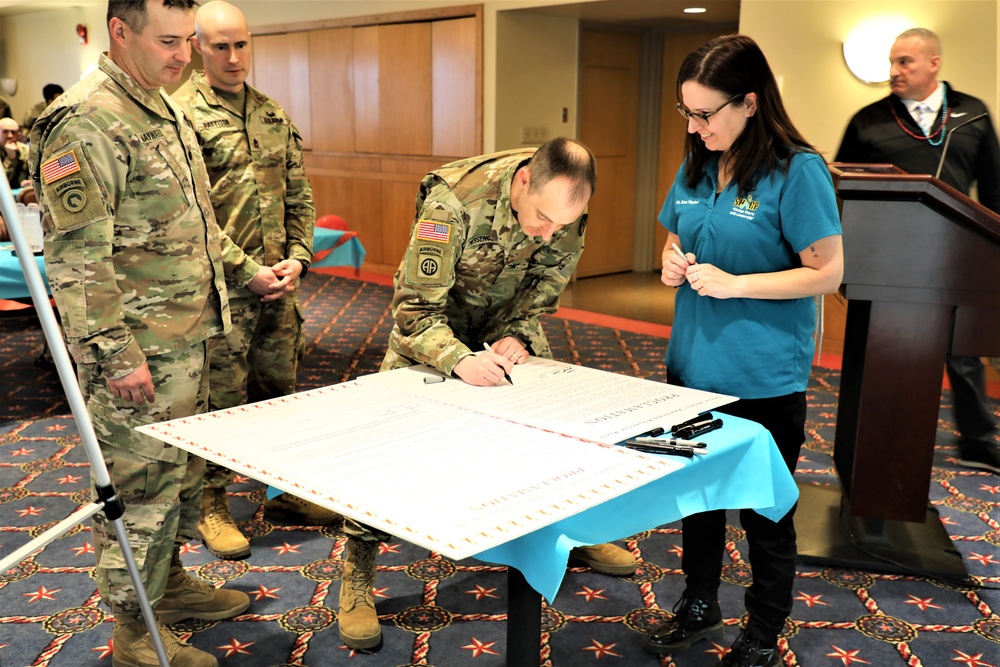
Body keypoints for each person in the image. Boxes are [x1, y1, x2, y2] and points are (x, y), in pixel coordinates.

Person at [28, 1, 284, 665]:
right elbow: (79, 264)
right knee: (139, 490)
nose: (184, 55)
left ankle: (165, 589)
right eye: (168, 41)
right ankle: (134, 629)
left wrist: (247, 273)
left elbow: (192, 223)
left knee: (178, 481)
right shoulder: (85, 121)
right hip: (140, 351)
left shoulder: (157, 102)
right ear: (120, 32)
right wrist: (117, 358)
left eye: (186, 41)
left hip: (189, 338)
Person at [353, 137, 635, 649]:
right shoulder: (454, 202)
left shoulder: (565, 204)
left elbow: (545, 286)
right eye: (541, 219)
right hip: (434, 329)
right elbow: (415, 310)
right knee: (386, 445)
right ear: (524, 180)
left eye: (560, 225)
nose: (549, 231)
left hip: (500, 330)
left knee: (550, 431)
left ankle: (569, 535)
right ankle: (357, 571)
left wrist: (520, 333)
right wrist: (459, 358)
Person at [644, 35, 843, 666]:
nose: (695, 126)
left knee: (764, 510)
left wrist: (737, 286)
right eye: (687, 112)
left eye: (706, 113)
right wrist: (673, 265)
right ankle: (699, 604)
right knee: (697, 502)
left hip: (762, 374)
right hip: (692, 365)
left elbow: (826, 272)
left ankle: (762, 630)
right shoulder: (698, 161)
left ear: (750, 103)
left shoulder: (798, 170)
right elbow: (673, 241)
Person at [173, 0, 332, 562]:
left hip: (279, 289)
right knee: (219, 402)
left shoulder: (269, 112)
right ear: (196, 47)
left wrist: (298, 257)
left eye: (241, 44)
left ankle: (282, 491)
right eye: (220, 46)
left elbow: (300, 194)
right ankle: (210, 503)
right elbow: (191, 215)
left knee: (279, 394)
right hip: (219, 293)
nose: (234, 57)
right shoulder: (180, 116)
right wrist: (247, 269)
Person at [836, 27, 1000, 475]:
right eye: (891, 62)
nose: (894, 71)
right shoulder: (868, 120)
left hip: (955, 258)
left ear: (934, 63)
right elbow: (841, 188)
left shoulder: (972, 115)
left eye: (904, 61)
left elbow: (993, 190)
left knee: (962, 355)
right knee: (886, 352)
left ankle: (978, 440)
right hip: (884, 264)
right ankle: (875, 438)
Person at [1, 117, 31, 188]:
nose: (10, 136)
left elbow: (34, 174)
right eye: (5, 131)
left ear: (18, 134)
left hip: (20, 193)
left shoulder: (26, 151)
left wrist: (30, 182)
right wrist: (10, 159)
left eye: (13, 132)